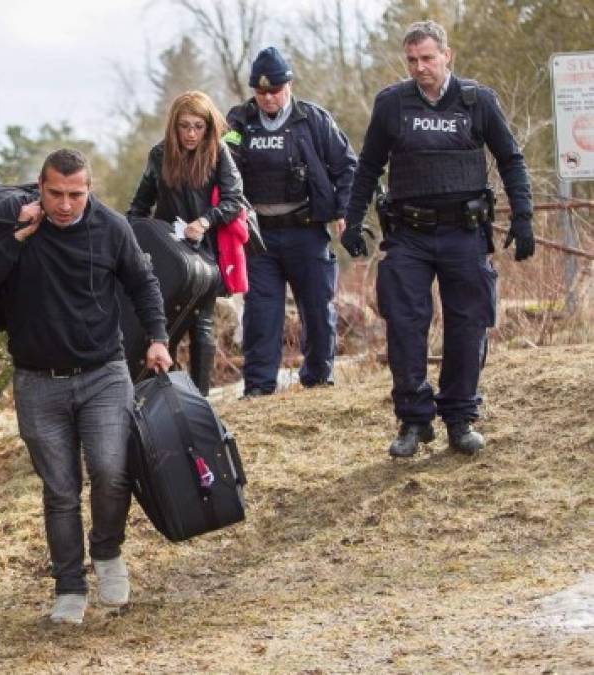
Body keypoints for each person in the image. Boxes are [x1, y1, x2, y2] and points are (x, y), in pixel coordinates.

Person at [0, 149, 173, 625]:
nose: (65, 204)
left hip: (103, 373)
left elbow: (144, 283)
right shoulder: (15, 225)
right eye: (56, 194)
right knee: (60, 490)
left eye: (76, 194)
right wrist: (18, 235)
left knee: (110, 470)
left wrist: (158, 339)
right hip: (38, 382)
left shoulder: (111, 227)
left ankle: (107, 552)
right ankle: (69, 587)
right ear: (40, 187)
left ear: (89, 188)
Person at [340, 20, 534, 458]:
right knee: (405, 324)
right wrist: (352, 222)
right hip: (409, 235)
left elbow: (511, 159)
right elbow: (367, 166)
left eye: (428, 58)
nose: (420, 67)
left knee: (468, 324)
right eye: (412, 60)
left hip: (463, 234)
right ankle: (413, 420)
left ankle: (460, 418)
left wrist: (523, 218)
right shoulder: (392, 104)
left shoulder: (476, 101)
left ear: (448, 56)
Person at [225, 47, 357, 397]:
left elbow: (347, 167)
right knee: (261, 314)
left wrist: (345, 212)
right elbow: (222, 166)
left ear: (290, 84)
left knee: (316, 308)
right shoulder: (239, 123)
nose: (268, 98)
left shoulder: (312, 120)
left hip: (307, 231)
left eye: (275, 90)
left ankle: (317, 378)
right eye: (261, 91)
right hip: (259, 239)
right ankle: (258, 386)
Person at [127, 90, 246, 396]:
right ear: (174, 126)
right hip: (167, 254)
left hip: (205, 252)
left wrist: (206, 220)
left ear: (208, 126)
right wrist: (133, 243)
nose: (191, 133)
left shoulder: (218, 152)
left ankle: (201, 398)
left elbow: (235, 200)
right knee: (164, 326)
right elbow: (139, 207)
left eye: (198, 126)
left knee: (201, 324)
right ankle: (164, 397)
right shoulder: (160, 154)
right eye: (185, 126)